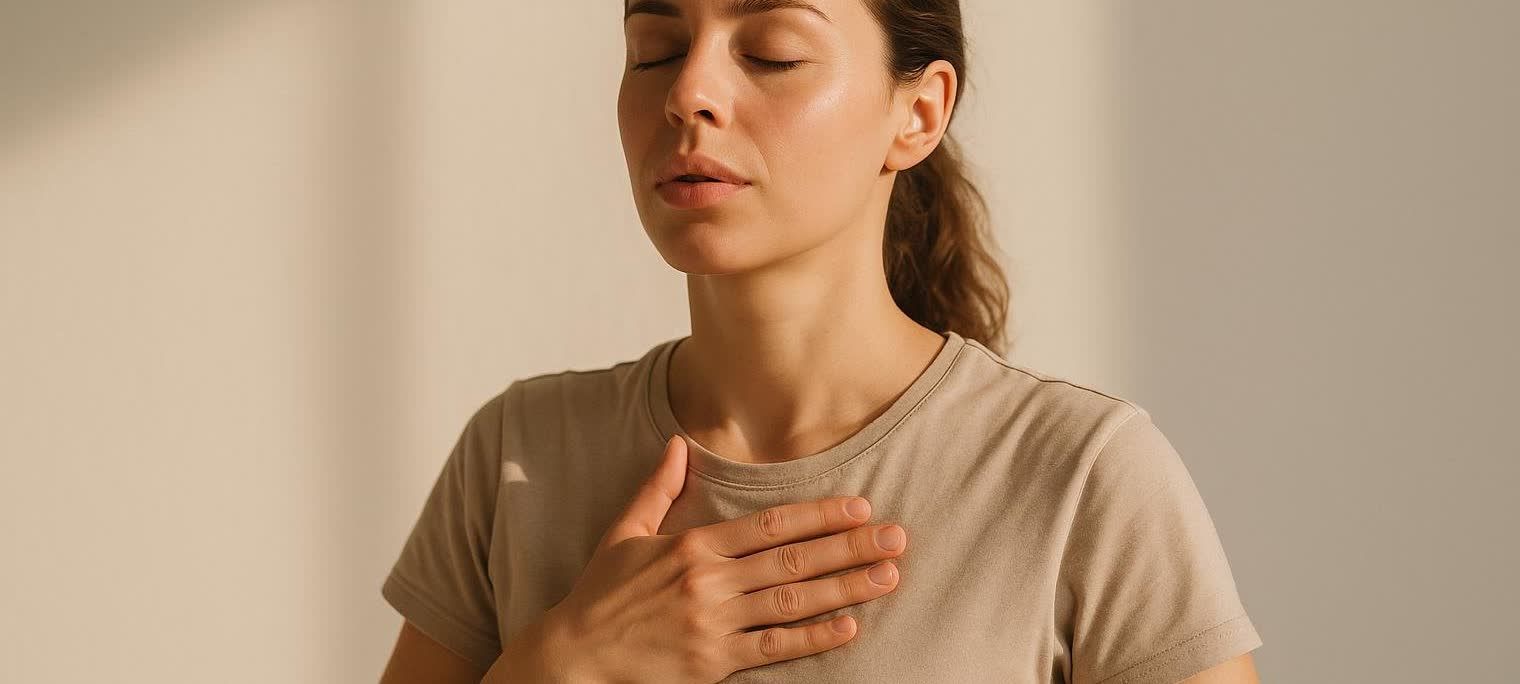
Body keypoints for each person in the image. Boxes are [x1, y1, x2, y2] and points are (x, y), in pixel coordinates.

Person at [378, 0, 1263, 682]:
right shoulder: (518, 453)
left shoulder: (1080, 478)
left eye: (772, 53)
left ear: (918, 113)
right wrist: (565, 664)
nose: (688, 94)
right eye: (656, 49)